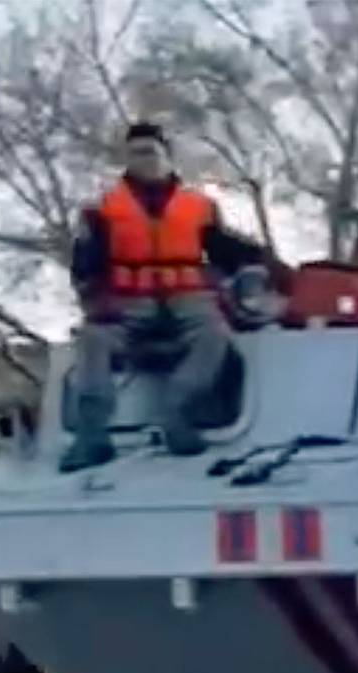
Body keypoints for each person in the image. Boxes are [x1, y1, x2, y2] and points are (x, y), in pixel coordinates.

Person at [62, 121, 286, 473]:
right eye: (135, 153)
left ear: (166, 156)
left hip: (186, 297)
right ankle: (91, 435)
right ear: (126, 159)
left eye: (150, 151)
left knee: (214, 335)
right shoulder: (103, 210)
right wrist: (95, 298)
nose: (144, 159)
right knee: (93, 340)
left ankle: (177, 409)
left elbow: (227, 248)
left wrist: (273, 268)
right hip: (128, 301)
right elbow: (85, 264)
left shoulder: (197, 206)